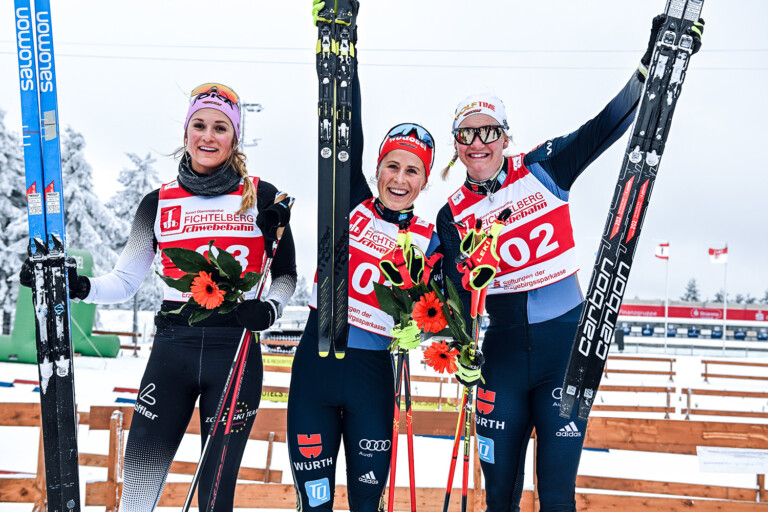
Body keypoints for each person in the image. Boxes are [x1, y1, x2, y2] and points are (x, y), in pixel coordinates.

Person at [437, 16, 703, 512]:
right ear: (456, 144)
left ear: (505, 136)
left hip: (564, 352)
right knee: (499, 497)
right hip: (502, 357)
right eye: (466, 134)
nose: (477, 143)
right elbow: (443, 291)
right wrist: (454, 341)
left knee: (558, 496)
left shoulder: (545, 166)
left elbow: (605, 126)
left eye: (488, 130)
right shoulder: (451, 214)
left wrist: (650, 67)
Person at [22, 83, 297, 511]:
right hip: (174, 348)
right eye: (199, 125)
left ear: (235, 137)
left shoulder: (262, 197)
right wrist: (80, 287)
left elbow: (285, 275)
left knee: (215, 495)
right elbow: (125, 280)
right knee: (138, 488)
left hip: (235, 348)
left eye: (220, 127)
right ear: (186, 132)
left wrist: (271, 309)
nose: (208, 136)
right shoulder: (157, 202)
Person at [286, 4, 440, 511]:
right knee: (314, 504)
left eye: (413, 171)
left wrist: (425, 332)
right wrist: (341, 44)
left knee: (366, 505)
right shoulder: (350, 199)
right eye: (392, 166)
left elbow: (445, 308)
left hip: (374, 374)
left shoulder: (431, 236)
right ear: (377, 169)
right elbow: (342, 123)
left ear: (424, 180)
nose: (399, 179)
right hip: (317, 362)